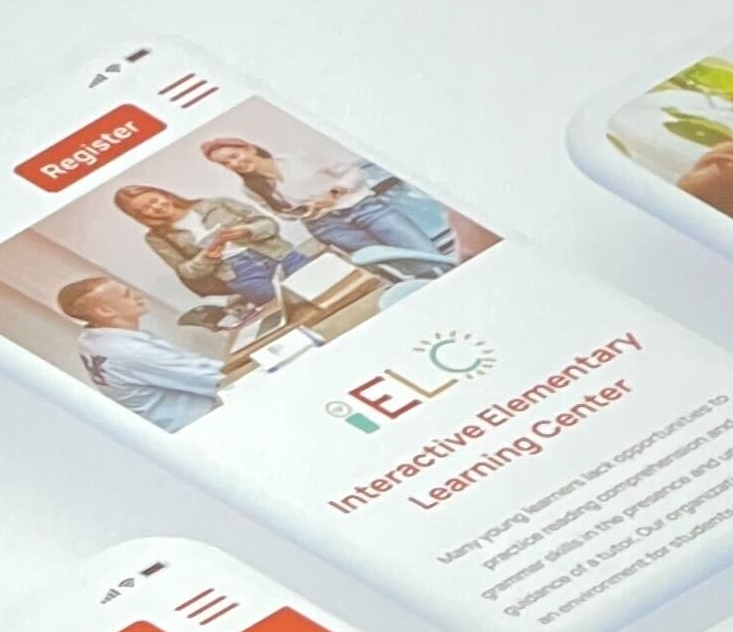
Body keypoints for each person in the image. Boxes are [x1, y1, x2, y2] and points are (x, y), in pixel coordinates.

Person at [199, 134, 463, 276]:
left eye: (234, 156)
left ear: (248, 148)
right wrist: (302, 212)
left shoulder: (298, 158)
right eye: (226, 164)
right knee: (402, 265)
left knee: (424, 254)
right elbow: (282, 216)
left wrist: (333, 192)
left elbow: (356, 174)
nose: (234, 164)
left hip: (363, 207)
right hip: (326, 226)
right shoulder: (250, 188)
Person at [57, 276, 227, 433]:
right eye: (127, 295)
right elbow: (215, 379)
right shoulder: (127, 351)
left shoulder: (91, 339)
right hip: (203, 426)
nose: (137, 296)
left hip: (188, 421)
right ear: (105, 311)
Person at [113, 179, 309, 309]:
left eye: (154, 200)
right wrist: (206, 258)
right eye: (145, 209)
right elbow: (185, 271)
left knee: (319, 284)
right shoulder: (156, 238)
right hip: (240, 274)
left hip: (277, 253)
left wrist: (247, 231)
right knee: (286, 310)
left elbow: (270, 225)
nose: (155, 207)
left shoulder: (217, 203)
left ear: (165, 194)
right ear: (141, 216)